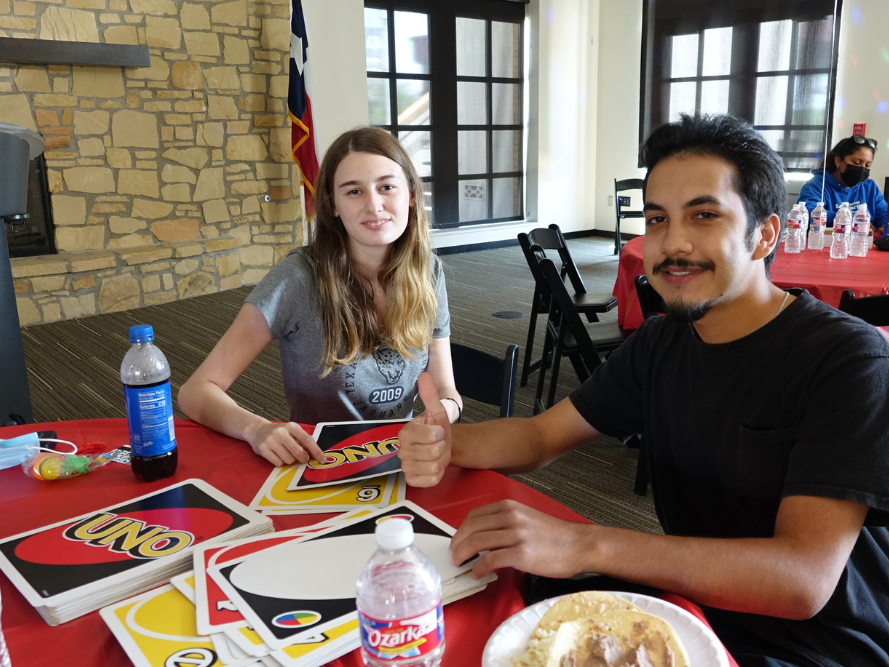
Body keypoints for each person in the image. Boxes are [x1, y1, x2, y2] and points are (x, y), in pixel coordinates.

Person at [398, 114, 889, 665]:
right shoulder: (662, 342)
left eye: (705, 215)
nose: (673, 243)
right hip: (685, 606)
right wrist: (448, 442)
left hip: (814, 645)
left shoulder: (846, 359)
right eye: (657, 219)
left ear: (765, 235)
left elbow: (801, 580)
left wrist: (586, 542)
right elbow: (540, 436)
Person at [179, 126, 461, 467]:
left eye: (386, 187)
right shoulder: (299, 278)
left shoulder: (427, 271)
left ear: (411, 195)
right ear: (333, 206)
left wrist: (441, 413)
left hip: (401, 460)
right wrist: (256, 429)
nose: (374, 205)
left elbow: (445, 388)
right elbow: (196, 391)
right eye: (354, 191)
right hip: (319, 463)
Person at [797, 134, 889, 232]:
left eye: (867, 165)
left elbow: (884, 214)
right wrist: (850, 220)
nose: (862, 169)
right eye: (856, 162)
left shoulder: (870, 187)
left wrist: (885, 226)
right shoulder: (816, 185)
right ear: (838, 161)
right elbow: (807, 212)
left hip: (863, 240)